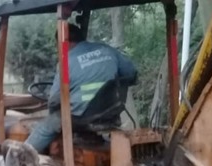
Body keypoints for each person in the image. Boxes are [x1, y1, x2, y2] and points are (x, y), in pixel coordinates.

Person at [25, 23, 138, 152]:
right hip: (110, 111)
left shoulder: (67, 62)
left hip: (81, 116)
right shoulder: (108, 50)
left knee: (48, 125)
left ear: (64, 43)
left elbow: (54, 100)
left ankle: (20, 156)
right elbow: (132, 73)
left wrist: (52, 108)